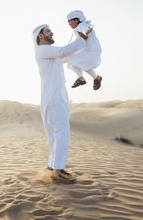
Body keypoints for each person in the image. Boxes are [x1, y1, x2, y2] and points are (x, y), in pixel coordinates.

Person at [32, 24, 90, 182]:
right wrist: (81, 39)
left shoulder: (50, 54)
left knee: (54, 134)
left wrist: (84, 45)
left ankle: (52, 166)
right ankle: (58, 170)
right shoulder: (43, 50)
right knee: (62, 132)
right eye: (48, 31)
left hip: (52, 97)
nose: (52, 33)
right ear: (41, 36)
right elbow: (63, 51)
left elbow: (67, 55)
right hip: (54, 98)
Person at [66, 10, 102, 90]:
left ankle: (81, 78)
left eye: (69, 21)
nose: (68, 23)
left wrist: (86, 32)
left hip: (89, 50)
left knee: (72, 60)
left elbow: (85, 30)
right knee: (83, 64)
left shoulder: (81, 25)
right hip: (89, 50)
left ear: (76, 20)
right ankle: (96, 78)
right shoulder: (81, 26)